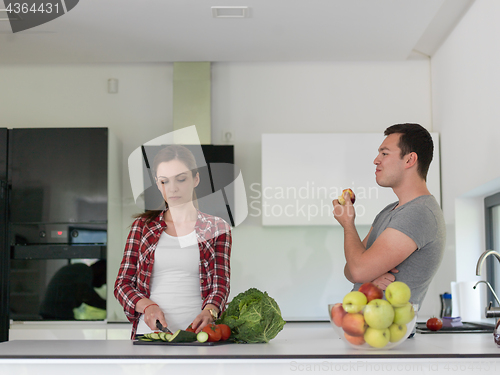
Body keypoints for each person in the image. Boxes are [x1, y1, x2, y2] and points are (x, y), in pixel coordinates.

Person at [114, 145, 231, 339]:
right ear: (158, 184)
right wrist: (148, 307)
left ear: (196, 178)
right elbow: (122, 284)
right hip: (150, 334)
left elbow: (220, 285)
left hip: (198, 334)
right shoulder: (142, 227)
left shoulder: (217, 228)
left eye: (181, 179)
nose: (173, 188)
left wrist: (210, 311)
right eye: (164, 181)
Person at [332, 123, 445, 307]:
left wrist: (348, 224)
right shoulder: (389, 211)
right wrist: (367, 277)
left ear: (409, 160)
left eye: (384, 153)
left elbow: (357, 270)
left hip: (388, 333)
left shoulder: (419, 213)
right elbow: (350, 271)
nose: (376, 160)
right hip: (364, 329)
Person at [39, 260, 107, 320]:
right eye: (105, 278)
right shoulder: (85, 270)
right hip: (57, 313)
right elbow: (84, 294)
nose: (104, 283)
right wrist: (107, 305)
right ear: (101, 269)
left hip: (52, 312)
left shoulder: (80, 270)